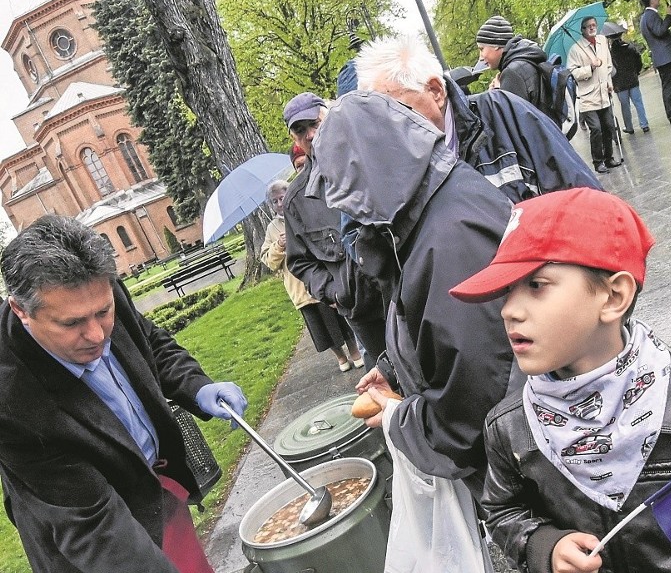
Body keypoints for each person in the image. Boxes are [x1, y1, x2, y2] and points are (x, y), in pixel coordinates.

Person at [449, 187, 671, 573]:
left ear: (614, 296)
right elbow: (502, 509)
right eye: (507, 289)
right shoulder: (510, 427)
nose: (509, 310)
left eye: (536, 285)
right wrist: (544, 544)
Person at [307, 91, 522, 508]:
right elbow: (431, 317)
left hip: (522, 465)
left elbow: (478, 404)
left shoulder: (448, 238)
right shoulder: (428, 210)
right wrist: (395, 370)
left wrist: (397, 418)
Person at [0, 215, 248, 573]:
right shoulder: (10, 400)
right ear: (21, 310)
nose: (98, 335)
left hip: (156, 489)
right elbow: (92, 522)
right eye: (71, 324)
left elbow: (149, 343)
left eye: (103, 313)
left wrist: (198, 386)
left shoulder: (99, 288)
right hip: (98, 535)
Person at [355, 35, 602, 205]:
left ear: (435, 91)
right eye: (382, 119)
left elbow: (589, 203)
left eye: (399, 111)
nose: (392, 129)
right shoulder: (390, 168)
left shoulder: (507, 115)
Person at [281, 92, 387, 370]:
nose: (311, 135)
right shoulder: (296, 200)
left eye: (315, 123)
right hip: (363, 313)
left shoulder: (370, 158)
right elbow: (299, 261)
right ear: (294, 139)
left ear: (330, 116)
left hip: (406, 292)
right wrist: (333, 291)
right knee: (389, 386)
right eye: (301, 131)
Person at [261, 180, 363, 372]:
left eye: (282, 198)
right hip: (300, 290)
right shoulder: (272, 229)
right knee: (322, 330)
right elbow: (269, 260)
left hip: (320, 277)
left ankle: (354, 351)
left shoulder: (300, 211)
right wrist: (279, 246)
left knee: (340, 321)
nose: (279, 204)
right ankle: (340, 357)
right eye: (274, 201)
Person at [475, 15, 557, 124]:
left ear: (496, 45)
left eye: (482, 49)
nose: (480, 57)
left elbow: (511, 124)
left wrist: (496, 94)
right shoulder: (527, 60)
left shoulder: (512, 72)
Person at [567, 16, 620, 174]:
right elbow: (573, 73)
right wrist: (590, 68)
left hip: (604, 93)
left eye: (594, 25)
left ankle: (609, 158)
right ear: (582, 30)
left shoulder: (603, 41)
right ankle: (598, 162)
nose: (592, 28)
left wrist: (609, 83)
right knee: (596, 129)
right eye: (588, 26)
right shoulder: (575, 49)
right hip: (588, 97)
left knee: (609, 126)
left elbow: (608, 66)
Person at [608, 32, 649, 134]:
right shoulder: (630, 47)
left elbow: (610, 69)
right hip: (633, 79)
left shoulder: (610, 53)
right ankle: (644, 124)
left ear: (610, 39)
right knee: (638, 102)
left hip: (620, 84)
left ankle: (629, 127)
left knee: (625, 106)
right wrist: (636, 71)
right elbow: (638, 60)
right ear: (620, 36)